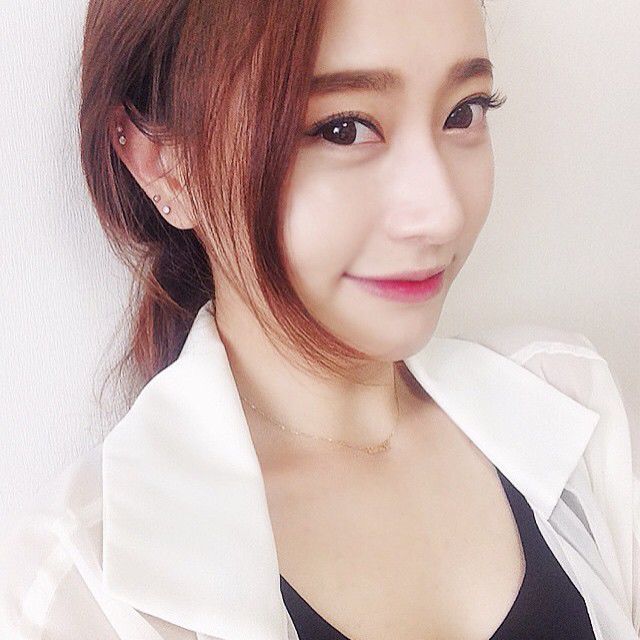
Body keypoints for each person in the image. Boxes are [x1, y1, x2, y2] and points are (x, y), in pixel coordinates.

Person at [1, 0, 638, 638]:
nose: (441, 212)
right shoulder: (74, 588)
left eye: (463, 113)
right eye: (343, 129)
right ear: (160, 161)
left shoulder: (569, 403)